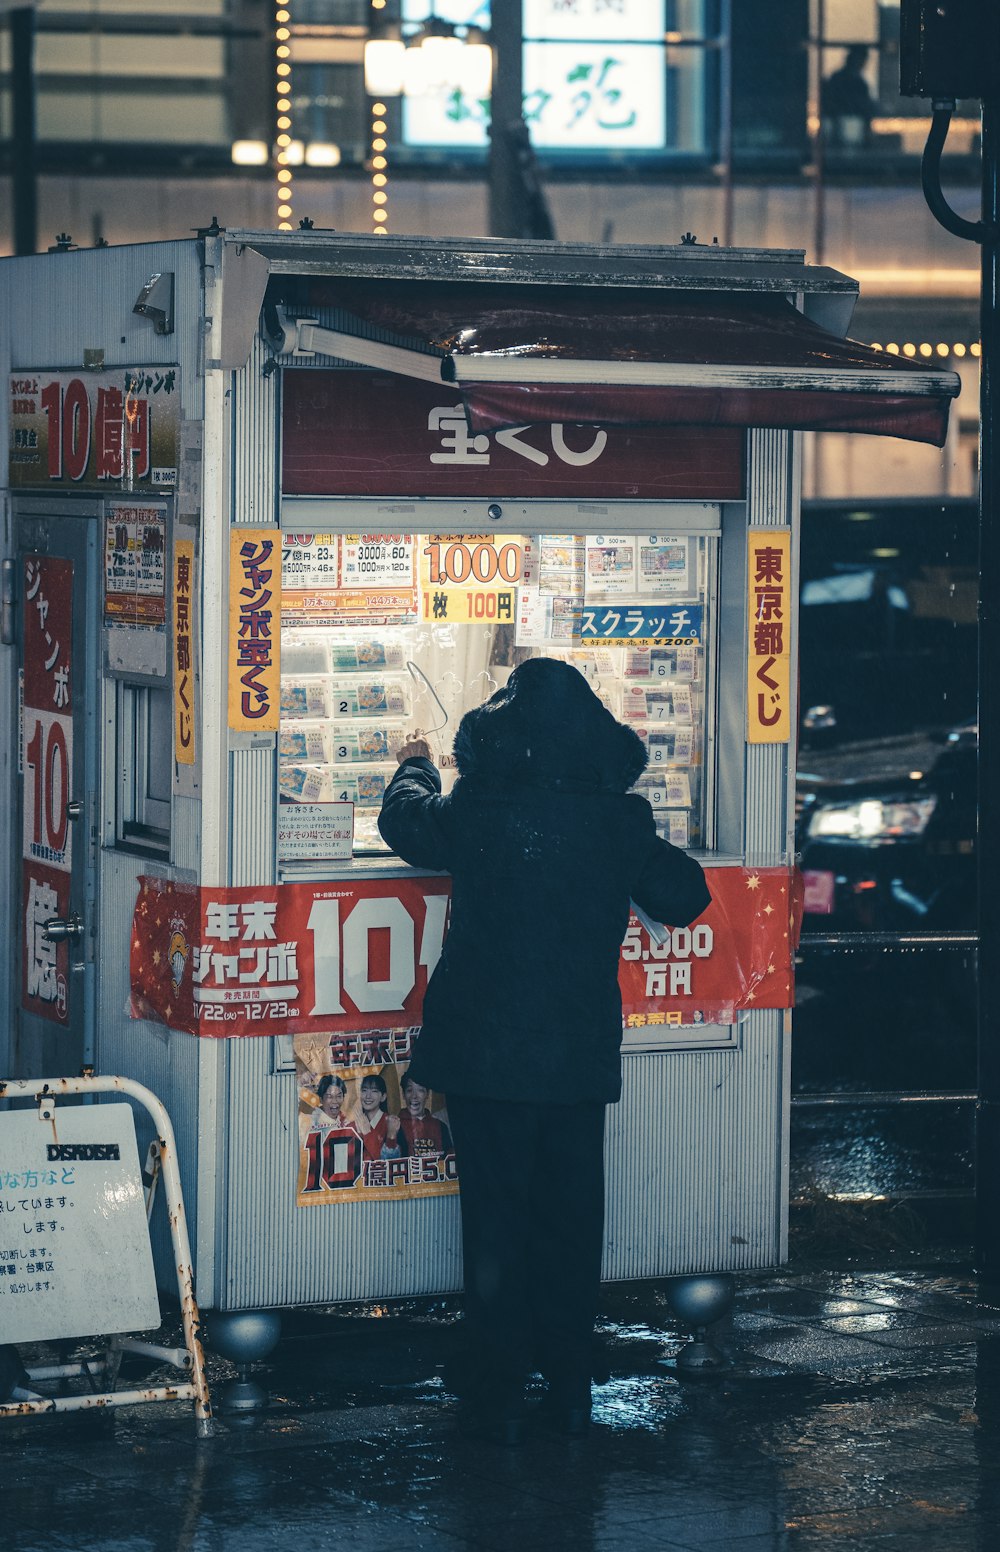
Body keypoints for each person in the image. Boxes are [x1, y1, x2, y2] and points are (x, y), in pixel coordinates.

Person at [377, 656, 710, 1444]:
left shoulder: (481, 805)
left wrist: (413, 765)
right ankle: (566, 1372)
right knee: (570, 1215)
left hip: (487, 1052)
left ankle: (496, 1370)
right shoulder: (614, 819)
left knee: (496, 1216)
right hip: (574, 1054)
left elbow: (406, 823)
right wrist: (622, 846)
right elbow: (687, 896)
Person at [821, 45, 877, 148]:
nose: (862, 63)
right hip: (842, 126)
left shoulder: (859, 83)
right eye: (861, 60)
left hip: (848, 127)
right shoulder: (841, 80)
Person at [397, 1072, 453, 1157]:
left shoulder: (441, 1126)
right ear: (403, 1095)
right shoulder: (396, 1126)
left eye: (420, 1090)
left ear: (427, 1094)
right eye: (409, 1090)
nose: (414, 1096)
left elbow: (449, 1156)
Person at [357, 1073, 404, 1161]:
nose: (368, 1096)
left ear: (383, 1097)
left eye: (374, 1091)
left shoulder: (392, 1123)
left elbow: (391, 1162)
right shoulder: (354, 1125)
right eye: (364, 1090)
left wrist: (367, 1133)